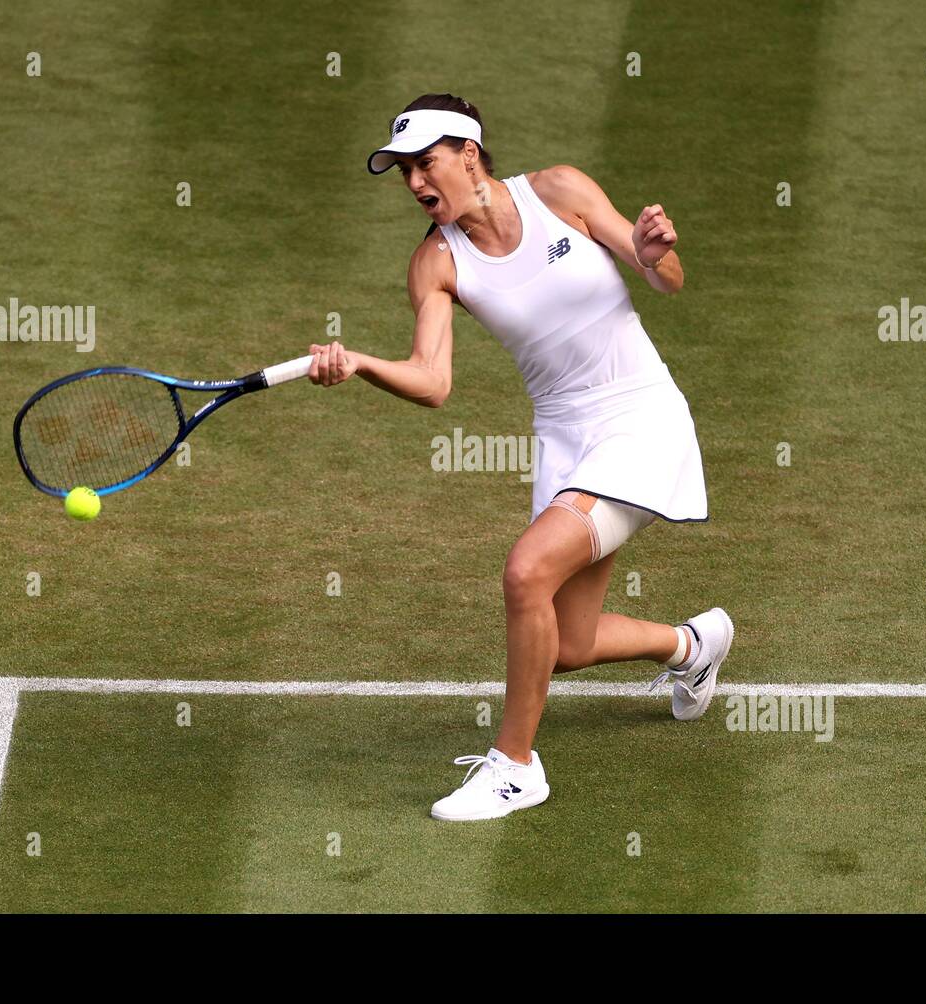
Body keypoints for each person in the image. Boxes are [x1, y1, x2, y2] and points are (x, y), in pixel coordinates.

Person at [309, 93, 733, 821]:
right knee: (565, 643)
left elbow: (664, 277)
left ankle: (514, 766)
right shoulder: (435, 263)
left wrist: (657, 256)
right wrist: (362, 365)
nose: (413, 183)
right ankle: (693, 644)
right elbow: (433, 381)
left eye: (424, 163)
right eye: (403, 171)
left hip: (640, 417)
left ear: (469, 155)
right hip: (564, 438)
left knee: (526, 570)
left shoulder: (559, 192)